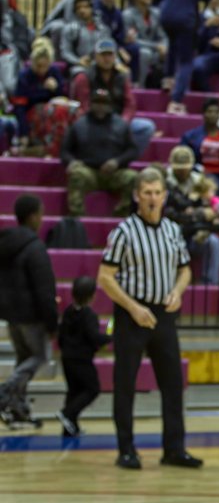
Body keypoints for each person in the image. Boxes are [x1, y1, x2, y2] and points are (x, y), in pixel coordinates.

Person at [98, 167, 202, 471]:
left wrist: (178, 292)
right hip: (132, 315)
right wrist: (133, 307)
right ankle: (126, 449)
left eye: (157, 192)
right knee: (125, 384)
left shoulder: (172, 229)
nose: (153, 198)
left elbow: (185, 270)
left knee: (173, 384)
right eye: (147, 193)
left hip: (163, 315)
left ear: (165, 195)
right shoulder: (123, 232)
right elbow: (105, 277)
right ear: (137, 196)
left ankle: (174, 449)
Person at [0, 193, 58, 429]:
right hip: (32, 316)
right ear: (33, 216)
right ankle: (5, 391)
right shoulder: (35, 247)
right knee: (39, 357)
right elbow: (45, 289)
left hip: (11, 315)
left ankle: (18, 408)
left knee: (23, 360)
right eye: (41, 214)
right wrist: (52, 322)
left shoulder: (6, 244)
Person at [152, 0, 214, 111]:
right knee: (186, 60)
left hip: (167, 14)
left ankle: (167, 80)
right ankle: (176, 100)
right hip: (187, 15)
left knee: (172, 46)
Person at [71, 39, 156, 158]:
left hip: (116, 121)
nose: (107, 58)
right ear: (96, 56)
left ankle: (123, 159)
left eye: (110, 55)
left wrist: (122, 122)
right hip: (92, 121)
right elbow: (83, 106)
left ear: (115, 56)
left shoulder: (122, 77)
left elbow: (130, 104)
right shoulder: (84, 77)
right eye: (103, 55)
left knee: (146, 127)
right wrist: (98, 123)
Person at [61, 89, 138, 217]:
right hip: (88, 172)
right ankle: (77, 217)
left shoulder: (121, 125)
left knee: (133, 177)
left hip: (114, 173)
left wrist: (117, 162)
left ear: (110, 106)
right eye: (97, 103)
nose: (100, 107)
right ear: (91, 104)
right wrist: (72, 162)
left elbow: (133, 150)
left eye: (104, 103)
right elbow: (64, 151)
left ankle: (122, 215)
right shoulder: (79, 125)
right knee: (77, 175)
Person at [165, 144, 219, 286]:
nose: (182, 171)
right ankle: (169, 285)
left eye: (185, 167)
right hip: (172, 234)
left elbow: (211, 209)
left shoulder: (200, 181)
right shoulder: (164, 183)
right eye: (179, 168)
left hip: (195, 234)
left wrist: (208, 213)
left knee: (213, 242)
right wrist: (200, 214)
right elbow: (169, 213)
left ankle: (210, 286)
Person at [56, 275, 107, 437]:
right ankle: (67, 413)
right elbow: (94, 337)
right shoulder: (89, 314)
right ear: (92, 295)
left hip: (67, 358)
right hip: (82, 359)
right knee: (92, 389)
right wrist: (111, 338)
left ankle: (70, 428)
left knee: (74, 391)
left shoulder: (68, 311)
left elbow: (61, 336)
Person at [13, 37, 64, 136]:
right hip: (32, 111)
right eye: (38, 66)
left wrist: (55, 89)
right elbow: (20, 106)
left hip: (53, 110)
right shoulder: (24, 76)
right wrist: (23, 133)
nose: (42, 70)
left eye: (45, 66)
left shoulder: (54, 72)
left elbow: (62, 95)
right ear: (33, 62)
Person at [122, 0, 168, 87]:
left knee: (171, 51)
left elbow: (163, 35)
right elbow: (133, 40)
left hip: (155, 49)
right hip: (137, 49)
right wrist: (157, 46)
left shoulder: (156, 13)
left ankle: (166, 86)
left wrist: (165, 46)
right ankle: (139, 86)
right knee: (145, 53)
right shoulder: (127, 15)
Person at [93, 0, 138, 75]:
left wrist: (126, 39)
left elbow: (120, 35)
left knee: (135, 48)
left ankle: (134, 81)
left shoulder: (118, 13)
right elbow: (101, 33)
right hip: (97, 43)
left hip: (115, 44)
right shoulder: (94, 8)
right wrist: (119, 49)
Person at [58, 0, 102, 76]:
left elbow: (109, 48)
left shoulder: (102, 28)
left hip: (100, 65)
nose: (82, 10)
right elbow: (65, 52)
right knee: (82, 75)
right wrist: (78, 61)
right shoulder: (70, 29)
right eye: (78, 8)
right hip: (78, 66)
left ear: (92, 8)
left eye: (85, 7)